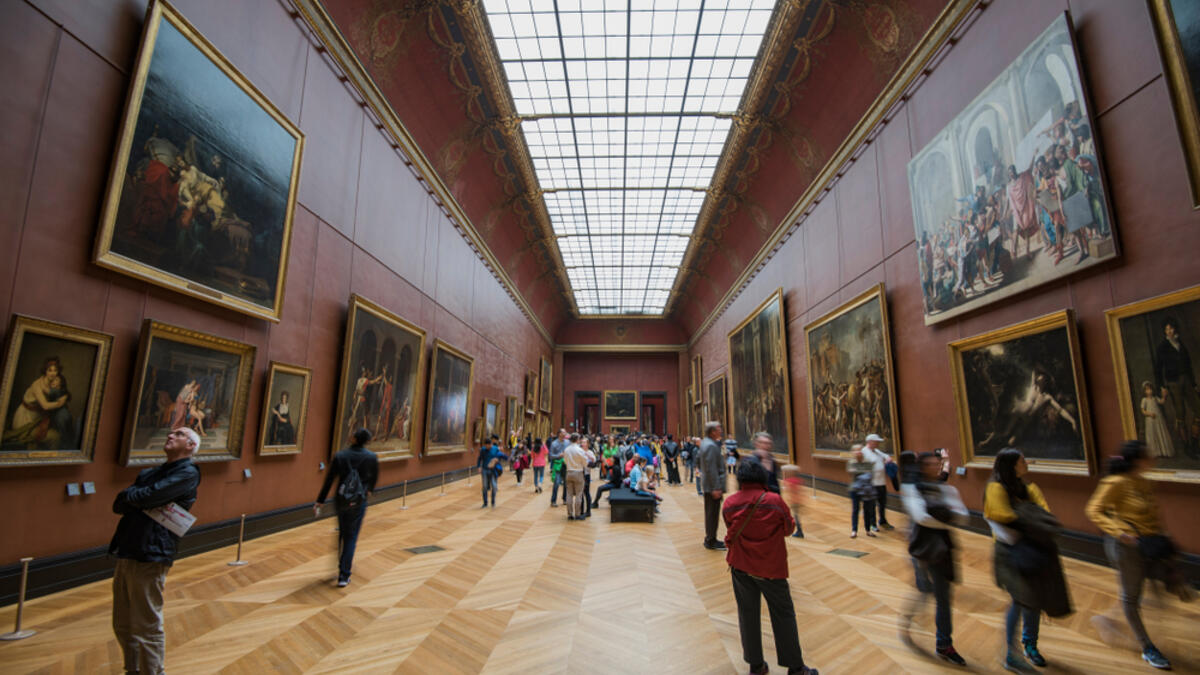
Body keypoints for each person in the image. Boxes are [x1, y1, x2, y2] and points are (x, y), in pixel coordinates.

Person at [1085, 440, 1191, 670]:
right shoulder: (1116, 482)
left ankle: (1107, 620)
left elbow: (1152, 516)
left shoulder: (1142, 482)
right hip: (1125, 547)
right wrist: (1120, 533)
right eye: (1148, 455)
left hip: (1148, 545)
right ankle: (1148, 648)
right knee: (1132, 596)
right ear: (1138, 460)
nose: (1152, 458)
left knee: (1145, 593)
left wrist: (1164, 540)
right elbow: (1093, 510)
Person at [109, 427, 202, 675]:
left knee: (146, 623)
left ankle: (152, 671)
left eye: (179, 434)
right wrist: (138, 498)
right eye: (171, 432)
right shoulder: (152, 472)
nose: (171, 435)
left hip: (152, 551)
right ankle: (133, 670)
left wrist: (137, 498)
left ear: (191, 445)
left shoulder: (187, 473)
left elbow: (146, 496)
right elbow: (120, 503)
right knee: (123, 622)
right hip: (129, 546)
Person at [723, 458, 819, 675]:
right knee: (783, 615)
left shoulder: (730, 504)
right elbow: (788, 528)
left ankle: (756, 666)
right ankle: (795, 668)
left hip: (741, 567)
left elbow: (730, 527)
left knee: (747, 614)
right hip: (771, 568)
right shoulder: (774, 501)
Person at [985, 448, 1071, 671]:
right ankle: (1011, 652)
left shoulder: (1028, 487)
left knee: (1033, 601)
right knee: (1022, 601)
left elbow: (1044, 511)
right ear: (1013, 465)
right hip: (1010, 553)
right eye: (1023, 460)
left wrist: (1027, 521)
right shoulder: (996, 488)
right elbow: (999, 518)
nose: (1027, 462)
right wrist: (1029, 521)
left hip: (1032, 550)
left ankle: (1029, 645)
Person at [900, 451, 968, 666]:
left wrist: (940, 517)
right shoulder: (911, 488)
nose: (934, 467)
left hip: (943, 549)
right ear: (921, 466)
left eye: (937, 463)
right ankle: (908, 619)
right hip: (922, 549)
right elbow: (921, 517)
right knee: (925, 591)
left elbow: (963, 516)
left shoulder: (947, 489)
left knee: (943, 597)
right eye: (929, 464)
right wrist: (947, 518)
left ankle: (944, 644)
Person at [314, 428, 379, 587]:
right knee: (351, 537)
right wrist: (368, 489)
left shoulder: (341, 456)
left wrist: (320, 500)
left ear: (355, 439)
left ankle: (342, 566)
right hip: (359, 500)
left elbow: (329, 480)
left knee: (343, 533)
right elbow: (374, 477)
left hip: (341, 500)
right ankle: (344, 574)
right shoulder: (371, 457)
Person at [699, 422, 727, 550]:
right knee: (712, 514)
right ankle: (711, 540)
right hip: (712, 486)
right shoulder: (710, 445)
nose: (720, 430)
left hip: (708, 484)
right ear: (712, 432)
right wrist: (716, 487)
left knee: (711, 513)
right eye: (718, 429)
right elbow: (711, 469)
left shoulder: (705, 443)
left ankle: (710, 538)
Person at [862, 433, 894, 531]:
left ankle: (883, 521)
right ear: (870, 442)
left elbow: (886, 456)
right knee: (872, 505)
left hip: (881, 482)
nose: (878, 444)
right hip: (871, 484)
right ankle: (873, 524)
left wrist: (888, 459)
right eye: (876, 442)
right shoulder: (864, 452)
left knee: (882, 503)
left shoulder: (876, 451)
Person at [846, 446, 877, 538]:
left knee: (867, 510)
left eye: (860, 450)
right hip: (855, 489)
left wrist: (859, 471)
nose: (858, 452)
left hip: (866, 489)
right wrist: (864, 472)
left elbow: (871, 473)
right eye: (856, 450)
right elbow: (851, 472)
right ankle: (854, 530)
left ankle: (868, 530)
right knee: (855, 509)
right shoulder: (851, 462)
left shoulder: (867, 462)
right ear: (853, 452)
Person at [477, 435, 508, 508]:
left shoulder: (495, 449)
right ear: (485, 445)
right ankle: (485, 503)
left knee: (494, 486)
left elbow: (504, 457)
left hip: (493, 470)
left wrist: (497, 460)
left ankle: (493, 502)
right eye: (487, 445)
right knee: (484, 486)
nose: (489, 447)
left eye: (490, 445)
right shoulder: (483, 450)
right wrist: (479, 467)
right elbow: (479, 458)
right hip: (484, 470)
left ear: (491, 444)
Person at [564, 433, 588, 520]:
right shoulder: (579, 450)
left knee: (569, 494)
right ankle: (577, 514)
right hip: (578, 472)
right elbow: (585, 462)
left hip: (569, 472)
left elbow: (565, 461)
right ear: (577, 440)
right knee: (579, 494)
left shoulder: (566, 449)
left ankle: (570, 514)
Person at [780, 463, 805, 538]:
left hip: (794, 501)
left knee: (796, 516)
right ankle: (799, 531)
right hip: (799, 500)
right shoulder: (798, 480)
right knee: (796, 516)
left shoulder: (790, 480)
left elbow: (786, 487)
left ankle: (799, 531)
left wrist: (784, 476)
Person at [549, 429, 568, 506]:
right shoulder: (554, 444)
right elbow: (550, 456)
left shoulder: (567, 442)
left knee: (566, 483)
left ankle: (565, 499)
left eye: (565, 432)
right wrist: (558, 456)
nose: (565, 433)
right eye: (563, 432)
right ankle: (553, 501)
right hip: (557, 465)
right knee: (556, 483)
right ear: (559, 434)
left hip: (565, 465)